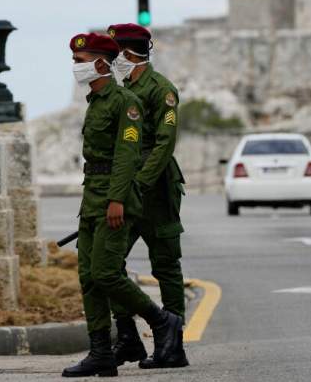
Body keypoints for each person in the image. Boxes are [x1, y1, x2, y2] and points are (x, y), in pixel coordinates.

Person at [63, 32, 184, 378]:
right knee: (94, 274)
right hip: (99, 194)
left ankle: (169, 331)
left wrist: (127, 192)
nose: (75, 68)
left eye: (80, 62)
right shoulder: (98, 100)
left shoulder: (148, 94)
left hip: (147, 190)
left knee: (161, 262)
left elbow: (156, 146)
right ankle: (118, 341)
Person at [106, 23, 188, 369]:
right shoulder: (123, 90)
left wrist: (138, 185)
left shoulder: (161, 90)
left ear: (127, 54)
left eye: (115, 55)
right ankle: (127, 336)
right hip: (127, 187)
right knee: (108, 261)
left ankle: (173, 345)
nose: (112, 62)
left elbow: (163, 144)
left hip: (155, 190)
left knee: (165, 264)